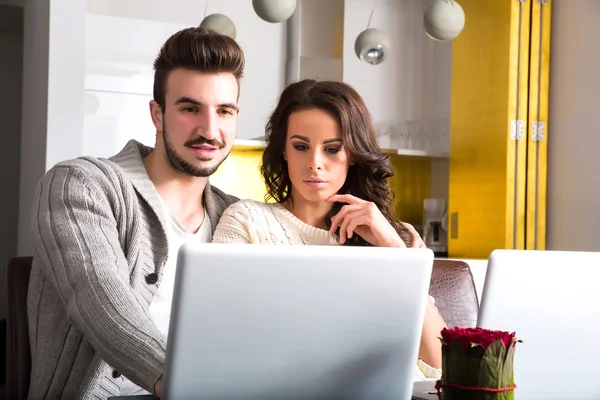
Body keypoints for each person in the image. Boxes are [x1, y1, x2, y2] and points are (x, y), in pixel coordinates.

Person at [27, 27, 243, 399]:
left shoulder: (235, 216)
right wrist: (182, 383)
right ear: (157, 114)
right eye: (190, 108)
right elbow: (96, 296)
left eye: (224, 111)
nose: (210, 129)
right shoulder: (79, 184)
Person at [213, 79, 447, 380]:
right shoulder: (246, 221)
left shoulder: (388, 237)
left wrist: (399, 256)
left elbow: (445, 364)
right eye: (301, 146)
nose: (315, 164)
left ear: (353, 155)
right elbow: (226, 341)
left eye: (332, 149)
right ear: (283, 150)